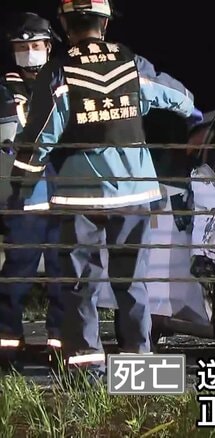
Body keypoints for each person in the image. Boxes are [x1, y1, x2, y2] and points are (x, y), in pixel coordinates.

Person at [10, 0, 200, 380]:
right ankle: (140, 366)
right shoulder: (133, 63)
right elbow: (180, 99)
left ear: (64, 26)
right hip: (135, 192)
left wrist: (21, 184)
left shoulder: (58, 71)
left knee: (81, 283)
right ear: (105, 23)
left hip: (78, 196)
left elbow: (40, 136)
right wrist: (195, 119)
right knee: (133, 282)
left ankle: (87, 369)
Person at [0, 12, 64, 372]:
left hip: (66, 197)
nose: (28, 52)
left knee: (64, 276)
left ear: (48, 46)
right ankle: (7, 347)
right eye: (21, 46)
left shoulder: (63, 82)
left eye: (35, 45)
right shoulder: (4, 91)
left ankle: (60, 346)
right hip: (25, 200)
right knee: (17, 274)